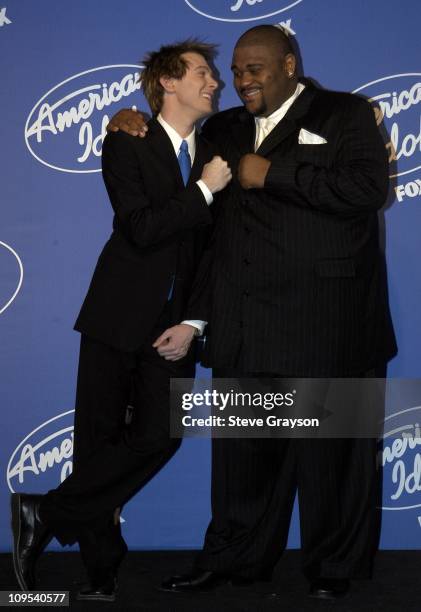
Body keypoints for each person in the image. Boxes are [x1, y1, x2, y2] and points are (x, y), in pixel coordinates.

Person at [108, 25, 397, 600]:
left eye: (255, 68)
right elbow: (201, 218)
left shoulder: (344, 114)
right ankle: (235, 559)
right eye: (236, 70)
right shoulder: (224, 127)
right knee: (243, 461)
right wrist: (127, 119)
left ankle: (333, 570)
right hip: (247, 321)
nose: (242, 80)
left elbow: (368, 190)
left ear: (289, 64)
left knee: (333, 463)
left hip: (331, 321)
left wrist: (275, 173)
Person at [11, 39, 232, 601]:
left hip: (175, 327)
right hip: (116, 315)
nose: (215, 83)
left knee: (160, 435)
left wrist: (196, 324)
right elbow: (141, 228)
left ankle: (45, 511)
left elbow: (213, 255)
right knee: (98, 442)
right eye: (203, 73)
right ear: (168, 83)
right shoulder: (127, 140)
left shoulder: (218, 147)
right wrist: (205, 188)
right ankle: (100, 573)